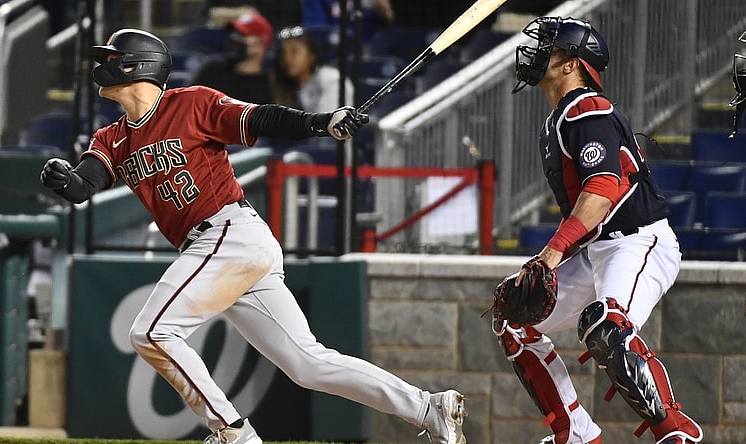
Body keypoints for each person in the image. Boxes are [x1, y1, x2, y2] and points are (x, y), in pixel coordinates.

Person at [39, 28, 467, 444]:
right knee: (308, 363)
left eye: (112, 58)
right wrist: (65, 180)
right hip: (223, 247)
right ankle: (428, 407)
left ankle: (233, 432)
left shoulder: (190, 103)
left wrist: (320, 122)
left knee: (151, 332)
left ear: (138, 66)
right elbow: (84, 187)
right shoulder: (111, 137)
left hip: (228, 234)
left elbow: (261, 116)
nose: (104, 66)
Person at [497, 17, 704, 444]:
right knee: (515, 316)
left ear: (572, 63)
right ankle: (573, 433)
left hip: (640, 240)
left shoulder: (586, 107)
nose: (537, 54)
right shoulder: (557, 121)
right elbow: (582, 211)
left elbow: (604, 189)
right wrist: (556, 258)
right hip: (599, 249)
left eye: (549, 49)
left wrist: (551, 254)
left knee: (606, 325)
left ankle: (675, 433)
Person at [192, 11, 275, 104]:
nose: (233, 39)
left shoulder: (271, 85)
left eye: (240, 36)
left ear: (259, 46)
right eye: (234, 34)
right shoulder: (213, 69)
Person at [271, 25, 353, 113]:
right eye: (283, 53)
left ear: (312, 55)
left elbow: (330, 124)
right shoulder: (281, 84)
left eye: (294, 52)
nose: (287, 59)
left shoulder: (332, 80)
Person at [301, 0, 395, 42]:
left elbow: (389, 24)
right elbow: (316, 33)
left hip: (372, 52)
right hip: (335, 57)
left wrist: (385, 12)